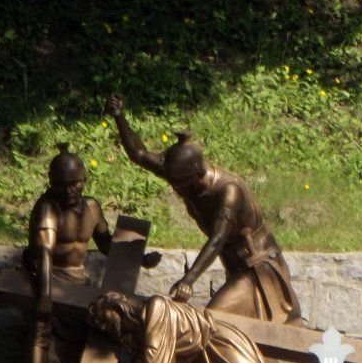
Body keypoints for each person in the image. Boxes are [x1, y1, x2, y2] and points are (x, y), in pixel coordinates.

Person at [107, 95, 301, 326]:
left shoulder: (228, 191)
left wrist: (188, 280)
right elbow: (139, 154)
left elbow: (218, 239)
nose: (177, 188)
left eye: (182, 182)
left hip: (259, 271)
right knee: (232, 331)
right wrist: (118, 116)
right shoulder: (180, 173)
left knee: (214, 320)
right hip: (236, 270)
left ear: (198, 172)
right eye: (173, 181)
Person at [23, 145, 159, 363]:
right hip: (50, 280)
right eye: (62, 184)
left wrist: (141, 260)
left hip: (79, 283)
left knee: (118, 320)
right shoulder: (47, 209)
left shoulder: (92, 208)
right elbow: (44, 252)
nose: (69, 190)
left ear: (84, 179)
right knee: (41, 328)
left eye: (75, 183)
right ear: (51, 183)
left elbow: (107, 245)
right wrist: (44, 295)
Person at [88, 291, 291, 363]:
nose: (105, 328)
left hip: (218, 344)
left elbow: (155, 351)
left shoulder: (156, 307)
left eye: (104, 320)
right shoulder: (139, 335)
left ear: (119, 309)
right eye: (101, 326)